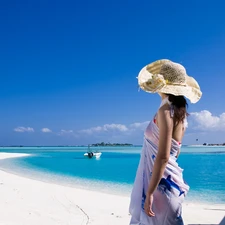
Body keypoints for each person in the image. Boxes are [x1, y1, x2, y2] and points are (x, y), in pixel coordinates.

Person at [129, 59, 202, 225]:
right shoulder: (179, 113)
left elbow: (162, 156)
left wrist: (150, 193)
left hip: (161, 189)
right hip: (171, 183)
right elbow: (175, 152)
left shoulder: (165, 110)